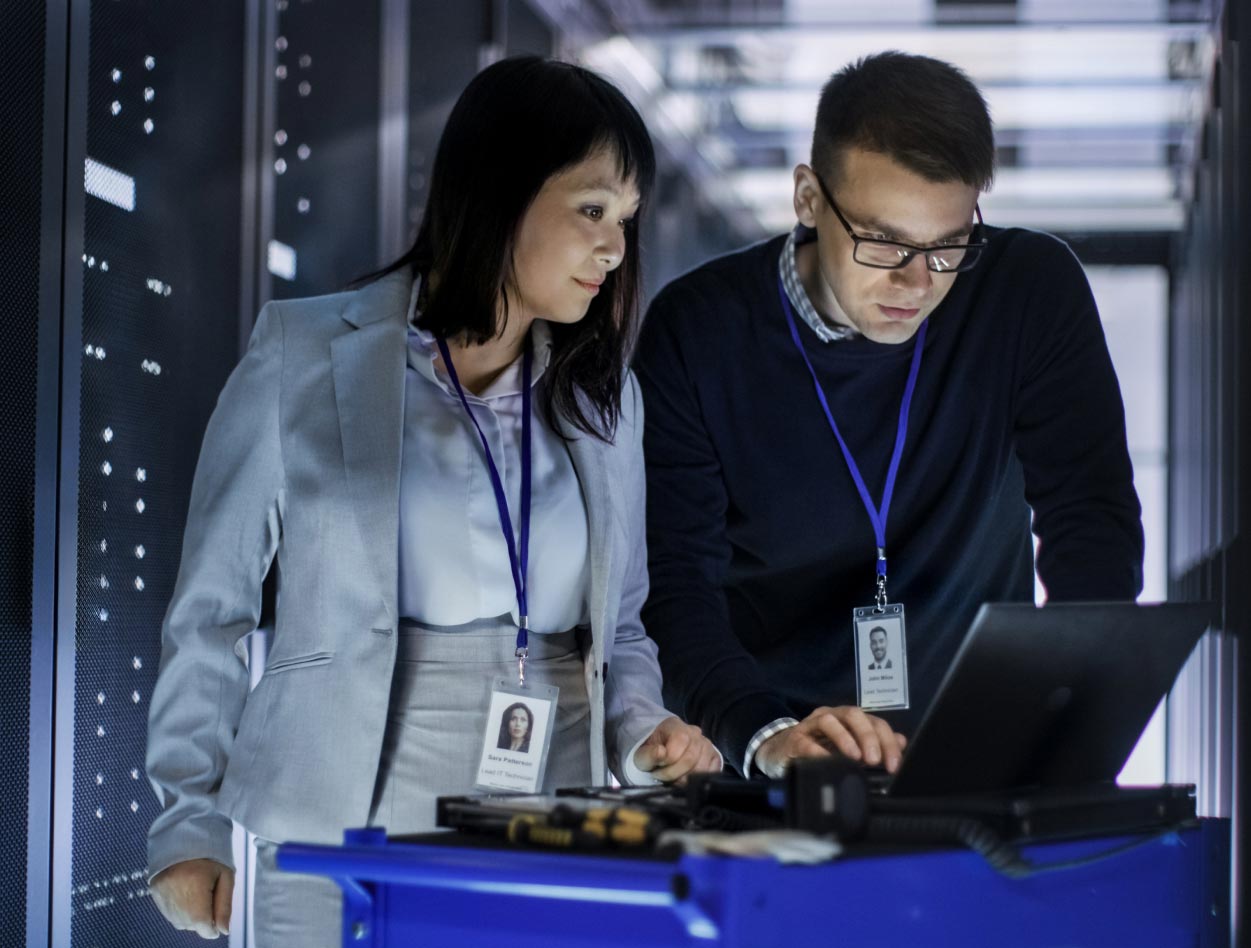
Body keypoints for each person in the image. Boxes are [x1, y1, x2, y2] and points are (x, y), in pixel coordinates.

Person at [145, 56, 721, 946]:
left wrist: (642, 733)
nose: (613, 249)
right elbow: (210, 613)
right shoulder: (301, 355)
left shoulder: (606, 401)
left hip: (553, 813)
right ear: (500, 192)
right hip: (337, 812)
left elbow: (624, 629)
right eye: (591, 210)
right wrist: (186, 820)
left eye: (626, 222)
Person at [634, 51, 1143, 781]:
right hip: (774, 746)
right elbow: (675, 583)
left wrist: (1069, 717)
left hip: (976, 747)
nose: (915, 282)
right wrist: (766, 734)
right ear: (808, 199)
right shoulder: (700, 329)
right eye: (882, 243)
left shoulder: (1025, 290)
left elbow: (1088, 520)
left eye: (947, 245)